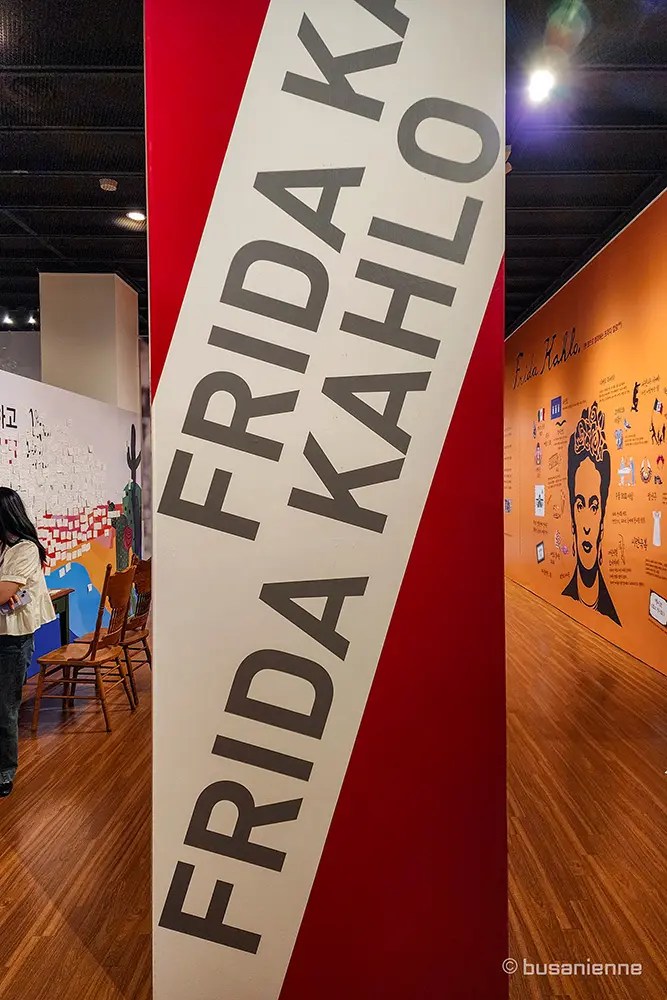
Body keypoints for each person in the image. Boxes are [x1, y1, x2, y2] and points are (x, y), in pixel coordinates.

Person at [0, 488, 56, 798]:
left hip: (11, 639)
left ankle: (4, 772)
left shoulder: (24, 549)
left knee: (4, 708)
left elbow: (3, 594)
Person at [562, 402, 621, 625]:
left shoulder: (611, 615)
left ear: (602, 522)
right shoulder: (566, 596)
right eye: (580, 505)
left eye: (594, 507)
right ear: (572, 520)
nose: (587, 525)